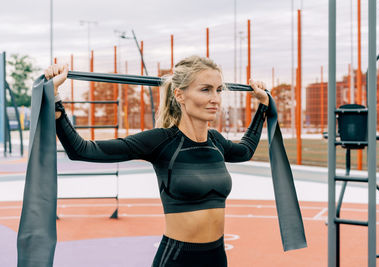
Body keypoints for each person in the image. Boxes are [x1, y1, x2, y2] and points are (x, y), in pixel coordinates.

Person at [46, 55, 269, 267]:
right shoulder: (160, 141)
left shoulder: (216, 142)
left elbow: (245, 150)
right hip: (177, 260)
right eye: (206, 90)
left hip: (217, 258)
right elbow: (82, 150)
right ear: (180, 95)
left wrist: (263, 106)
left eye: (218, 90)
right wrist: (55, 99)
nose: (215, 99)